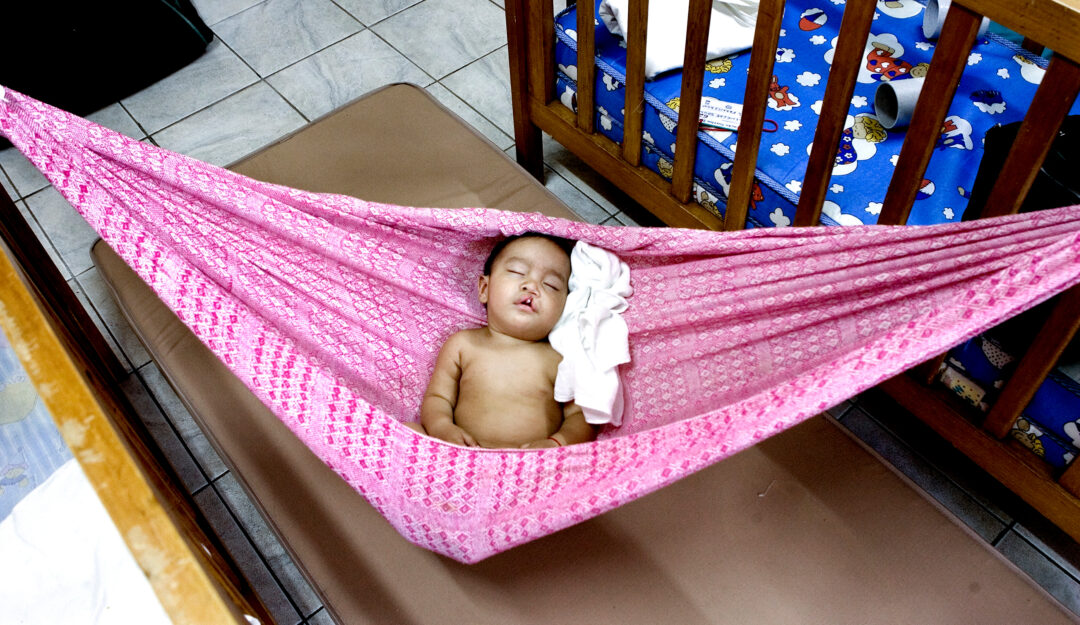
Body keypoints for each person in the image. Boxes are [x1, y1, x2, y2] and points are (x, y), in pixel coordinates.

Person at [410, 233, 597, 448]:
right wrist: (443, 428)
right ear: (484, 289)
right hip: (458, 455)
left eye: (551, 285)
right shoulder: (462, 345)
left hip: (530, 465)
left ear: (566, 306)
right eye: (517, 272)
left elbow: (580, 416)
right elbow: (438, 397)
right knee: (408, 431)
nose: (532, 286)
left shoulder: (559, 358)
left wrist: (556, 443)